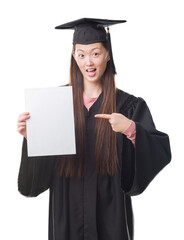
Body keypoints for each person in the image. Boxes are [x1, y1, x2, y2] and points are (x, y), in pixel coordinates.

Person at [17, 18, 171, 240]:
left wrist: (130, 128)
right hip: (66, 210)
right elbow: (37, 181)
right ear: (74, 56)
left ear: (108, 54)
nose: (88, 62)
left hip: (110, 212)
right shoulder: (54, 103)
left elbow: (160, 149)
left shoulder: (128, 105)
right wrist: (32, 138)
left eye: (95, 53)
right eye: (81, 54)